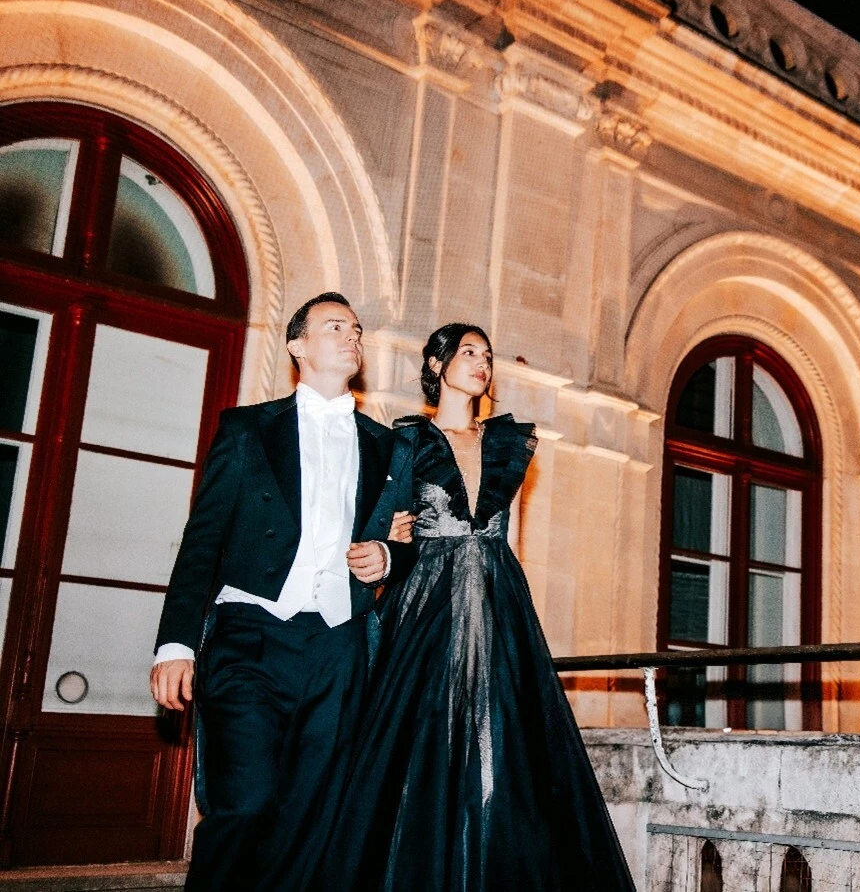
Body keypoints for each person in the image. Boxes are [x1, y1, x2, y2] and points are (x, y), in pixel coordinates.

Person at [305, 323, 637, 891]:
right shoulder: (406, 441)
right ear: (437, 367)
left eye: (487, 355)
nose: (481, 362)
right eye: (468, 353)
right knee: (415, 742)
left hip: (499, 596)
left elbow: (501, 530)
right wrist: (390, 539)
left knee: (509, 742)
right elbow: (383, 526)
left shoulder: (510, 442)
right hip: (427, 600)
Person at [150, 292, 411, 892]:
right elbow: (203, 541)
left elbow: (407, 541)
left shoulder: (387, 446)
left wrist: (388, 558)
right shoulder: (246, 430)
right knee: (244, 803)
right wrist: (175, 644)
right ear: (296, 345)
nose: (352, 336)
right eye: (335, 326)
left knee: (312, 819)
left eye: (357, 329)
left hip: (338, 646)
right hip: (250, 637)